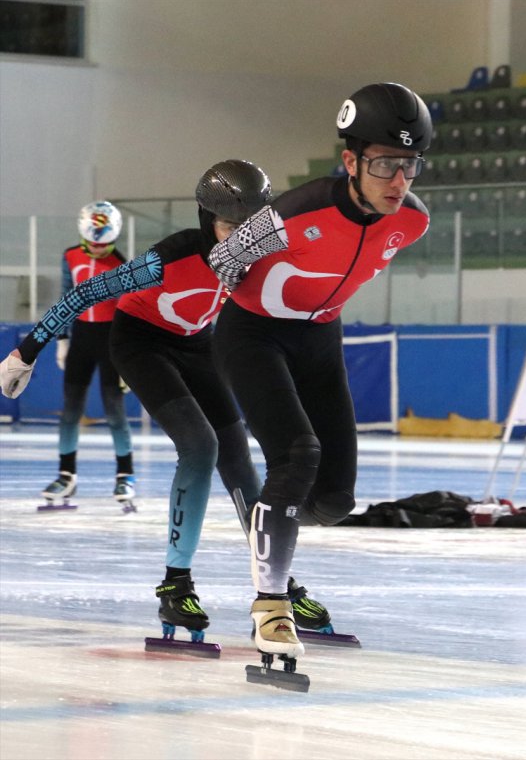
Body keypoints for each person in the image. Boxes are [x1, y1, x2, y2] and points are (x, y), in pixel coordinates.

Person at [0, 160, 331, 642]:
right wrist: (25, 353)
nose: (240, 240)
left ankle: (277, 585)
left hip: (197, 345)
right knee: (200, 446)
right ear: (205, 220)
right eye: (229, 227)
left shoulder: (262, 257)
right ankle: (175, 586)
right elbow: (86, 293)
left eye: (250, 228)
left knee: (238, 454)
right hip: (140, 343)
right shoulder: (170, 257)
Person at [205, 82, 432, 661]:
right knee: (298, 454)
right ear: (350, 161)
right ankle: (271, 606)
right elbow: (223, 258)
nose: (398, 182)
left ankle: (269, 514)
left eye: (409, 166)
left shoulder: (412, 222)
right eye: (384, 164)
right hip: (253, 334)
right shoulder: (296, 210)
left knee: (333, 499)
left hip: (318, 338)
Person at [41, 201, 135, 507]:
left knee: (114, 412)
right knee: (70, 411)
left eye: (105, 245)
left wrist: (128, 352)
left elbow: (129, 310)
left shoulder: (122, 264)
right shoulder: (70, 256)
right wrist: (62, 338)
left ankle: (125, 476)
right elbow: (67, 296)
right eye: (94, 244)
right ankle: (66, 475)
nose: (98, 250)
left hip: (111, 341)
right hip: (81, 338)